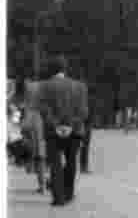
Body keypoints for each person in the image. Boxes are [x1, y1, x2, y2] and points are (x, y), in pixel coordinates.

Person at [37, 56, 89, 206]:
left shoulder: (44, 86)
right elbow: (83, 111)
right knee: (71, 162)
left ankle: (58, 197)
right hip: (75, 131)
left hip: (53, 132)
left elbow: (44, 110)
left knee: (55, 164)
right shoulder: (80, 86)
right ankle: (69, 193)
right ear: (65, 69)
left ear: (51, 69)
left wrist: (56, 126)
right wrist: (70, 126)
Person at [21, 81, 47, 192]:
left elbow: (25, 127)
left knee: (39, 159)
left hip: (36, 140)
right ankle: (46, 184)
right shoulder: (45, 108)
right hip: (47, 138)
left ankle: (42, 185)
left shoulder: (30, 111)